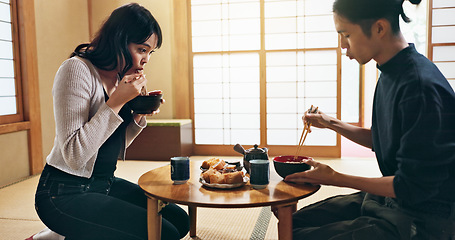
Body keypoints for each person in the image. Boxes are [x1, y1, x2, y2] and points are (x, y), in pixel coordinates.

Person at [286, 0, 455, 239]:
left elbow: (412, 185)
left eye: (346, 34)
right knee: (292, 222)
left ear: (379, 28)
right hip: (393, 199)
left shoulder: (419, 87)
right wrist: (329, 122)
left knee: (299, 235)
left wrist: (337, 178)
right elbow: (382, 139)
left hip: (424, 216)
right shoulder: (391, 70)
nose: (342, 46)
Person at [31, 3, 189, 240]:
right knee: (164, 235)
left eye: (150, 52)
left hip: (103, 184)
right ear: (119, 40)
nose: (146, 59)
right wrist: (116, 102)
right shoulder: (76, 70)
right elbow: (75, 156)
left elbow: (110, 145)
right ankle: (60, 233)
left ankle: (72, 233)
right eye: (141, 49)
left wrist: (137, 115)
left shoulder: (118, 77)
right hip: (62, 193)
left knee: (178, 220)